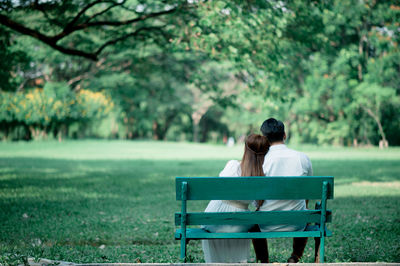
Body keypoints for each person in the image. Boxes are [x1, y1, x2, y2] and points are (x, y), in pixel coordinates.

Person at [252, 118, 313, 263]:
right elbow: (308, 191)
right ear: (284, 135)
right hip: (297, 221)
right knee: (305, 210)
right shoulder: (302, 158)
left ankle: (264, 261)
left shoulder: (261, 160)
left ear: (264, 139)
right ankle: (295, 256)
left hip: (265, 223)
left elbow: (256, 200)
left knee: (253, 220)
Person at [202, 134, 270, 263]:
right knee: (255, 224)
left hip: (215, 219)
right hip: (241, 223)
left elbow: (220, 189)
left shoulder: (233, 165)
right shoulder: (262, 177)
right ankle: (261, 261)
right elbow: (257, 204)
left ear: (246, 149)